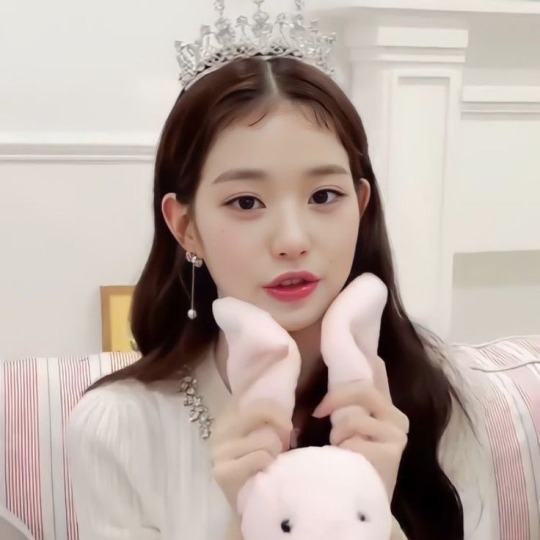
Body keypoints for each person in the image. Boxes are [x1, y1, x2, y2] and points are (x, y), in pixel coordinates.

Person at [66, 4, 495, 540]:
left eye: (324, 195)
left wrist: (374, 510)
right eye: (246, 202)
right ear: (186, 227)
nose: (292, 240)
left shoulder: (435, 393)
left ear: (361, 208)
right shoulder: (117, 428)